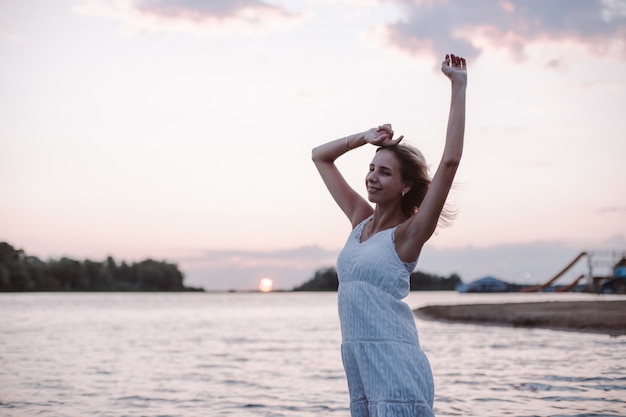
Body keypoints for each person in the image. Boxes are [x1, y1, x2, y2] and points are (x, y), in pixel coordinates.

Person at [311, 53, 467, 416]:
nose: (371, 177)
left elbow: (450, 162)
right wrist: (363, 138)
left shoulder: (409, 234)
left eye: (384, 172)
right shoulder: (359, 221)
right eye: (370, 168)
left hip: (394, 360)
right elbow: (320, 157)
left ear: (404, 186)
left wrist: (458, 86)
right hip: (359, 361)